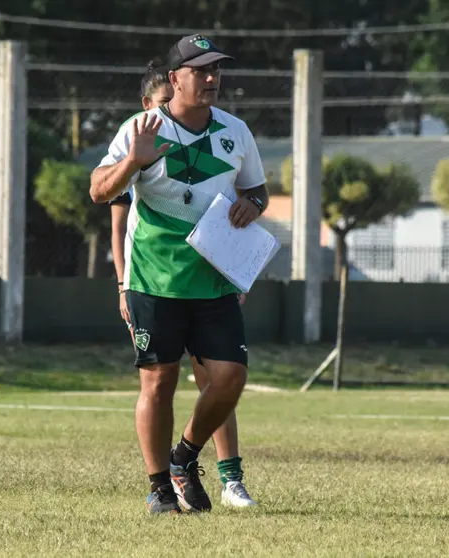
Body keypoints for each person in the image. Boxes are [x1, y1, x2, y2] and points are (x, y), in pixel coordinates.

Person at [91, 35, 269, 514]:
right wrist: (134, 159)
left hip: (214, 277)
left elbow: (257, 189)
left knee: (231, 377)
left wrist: (253, 206)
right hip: (154, 276)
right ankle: (159, 488)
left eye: (217, 71)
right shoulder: (140, 127)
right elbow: (99, 191)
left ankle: (183, 456)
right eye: (200, 71)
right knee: (159, 382)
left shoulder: (236, 130)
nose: (212, 79)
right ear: (174, 80)